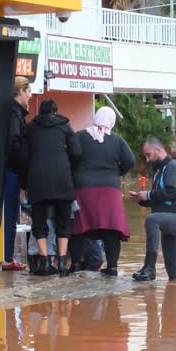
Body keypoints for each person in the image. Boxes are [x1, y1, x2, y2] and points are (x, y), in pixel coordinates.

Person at [71, 106, 135, 277]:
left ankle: (76, 264)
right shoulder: (117, 140)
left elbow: (71, 156)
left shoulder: (80, 136)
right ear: (112, 121)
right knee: (111, 229)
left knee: (79, 227)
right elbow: (130, 160)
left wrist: (78, 172)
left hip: (83, 188)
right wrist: (116, 173)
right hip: (110, 190)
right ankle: (112, 267)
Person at [24, 99, 81, 276]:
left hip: (38, 179)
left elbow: (23, 154)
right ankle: (63, 263)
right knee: (63, 222)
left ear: (40, 111)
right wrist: (67, 167)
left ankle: (45, 262)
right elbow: (77, 152)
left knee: (39, 221)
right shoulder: (65, 126)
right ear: (56, 111)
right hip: (62, 179)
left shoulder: (31, 127)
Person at [129, 137, 176, 282]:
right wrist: (142, 200)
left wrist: (149, 194)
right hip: (169, 218)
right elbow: (162, 199)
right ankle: (174, 293)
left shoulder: (172, 167)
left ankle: (149, 268)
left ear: (158, 150)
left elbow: (174, 192)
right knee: (172, 270)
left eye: (148, 155)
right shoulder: (160, 170)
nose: (147, 159)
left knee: (151, 220)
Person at [2, 76, 32, 271]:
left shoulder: (14, 112)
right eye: (28, 91)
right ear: (20, 91)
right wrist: (23, 175)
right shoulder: (15, 114)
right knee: (11, 213)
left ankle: (7, 256)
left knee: (12, 213)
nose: (30, 96)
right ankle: (7, 257)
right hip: (12, 172)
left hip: (10, 171)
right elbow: (15, 146)